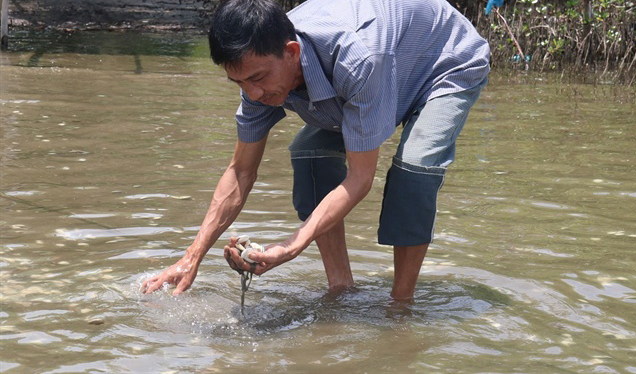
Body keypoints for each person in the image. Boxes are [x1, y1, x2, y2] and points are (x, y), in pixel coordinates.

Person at [142, 0, 489, 301]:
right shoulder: (260, 74)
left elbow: (361, 178)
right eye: (239, 83)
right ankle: (340, 289)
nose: (253, 94)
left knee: (414, 167)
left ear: (292, 52)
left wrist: (292, 246)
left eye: (258, 78)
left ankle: (400, 305)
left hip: (443, 63)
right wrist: (192, 256)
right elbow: (240, 171)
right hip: (386, 66)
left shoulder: (357, 59)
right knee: (309, 152)